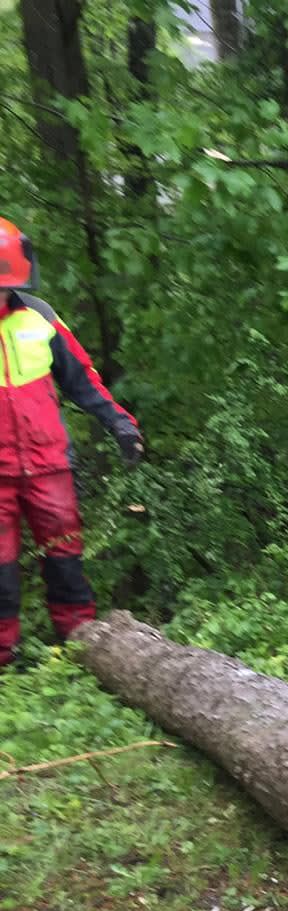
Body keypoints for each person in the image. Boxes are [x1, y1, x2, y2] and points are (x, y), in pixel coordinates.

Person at [0, 218, 142, 669]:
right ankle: (4, 659)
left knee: (65, 558)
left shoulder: (40, 318)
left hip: (48, 465)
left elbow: (83, 381)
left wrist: (120, 424)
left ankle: (79, 645)